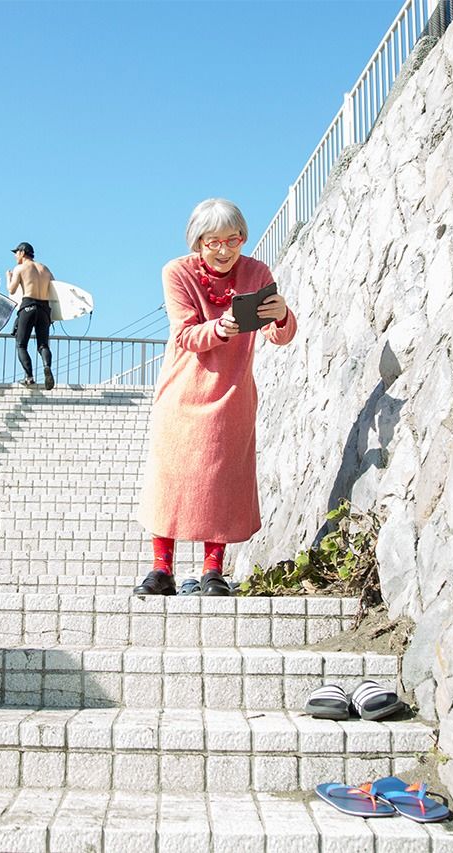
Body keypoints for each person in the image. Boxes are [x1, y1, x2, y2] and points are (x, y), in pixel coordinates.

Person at [135, 198, 297, 596]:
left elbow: (279, 336)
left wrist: (281, 314)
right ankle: (161, 569)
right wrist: (224, 326)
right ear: (197, 242)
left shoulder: (257, 272)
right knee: (169, 477)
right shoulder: (177, 272)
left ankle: (213, 571)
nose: (224, 250)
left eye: (233, 240)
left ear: (243, 239)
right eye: (213, 242)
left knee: (222, 481)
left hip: (232, 393)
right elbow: (186, 335)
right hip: (182, 391)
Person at [7, 241, 57, 390]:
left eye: (16, 252)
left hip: (28, 305)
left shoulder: (20, 268)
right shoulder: (45, 269)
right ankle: (47, 366)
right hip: (44, 308)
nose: (15, 256)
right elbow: (55, 290)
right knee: (43, 344)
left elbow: (12, 289)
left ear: (22, 252)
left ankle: (29, 377)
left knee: (21, 344)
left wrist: (8, 277)